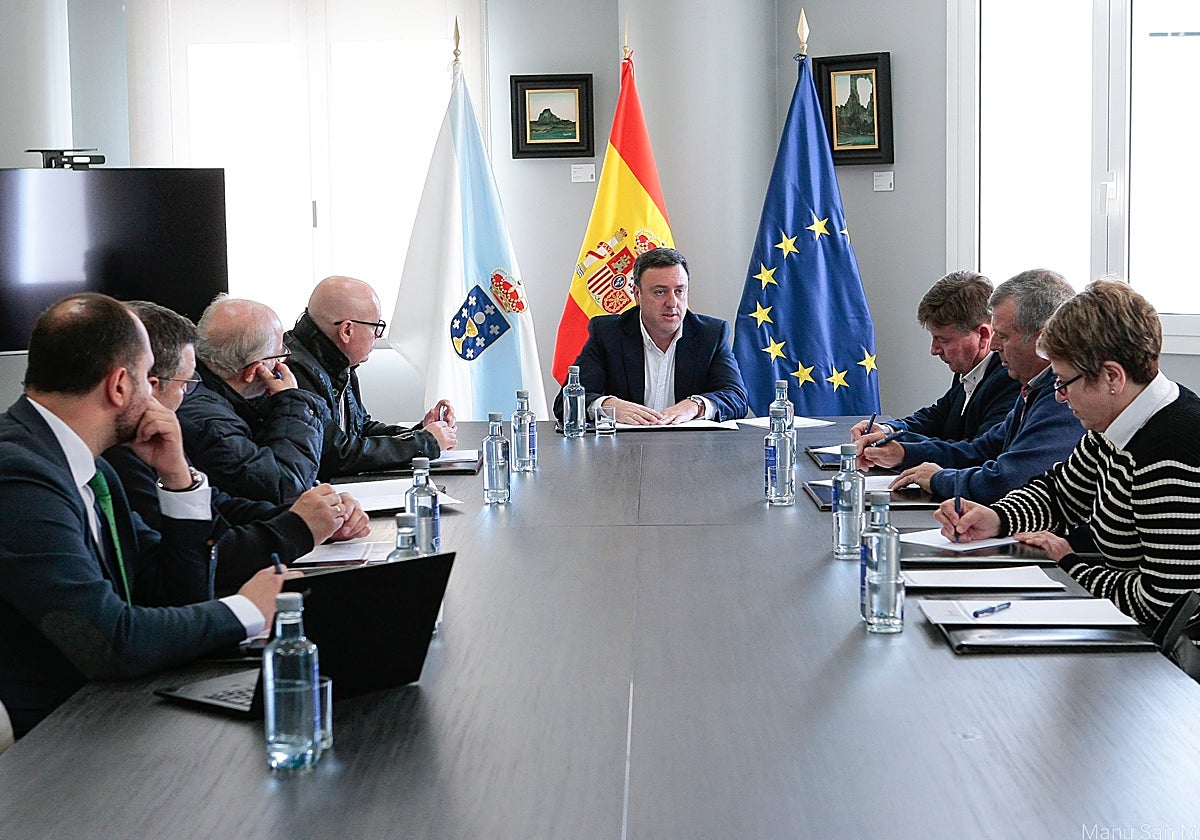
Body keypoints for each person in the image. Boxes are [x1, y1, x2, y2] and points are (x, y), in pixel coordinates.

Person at [0, 293, 296, 738]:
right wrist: (247, 609)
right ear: (121, 385)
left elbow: (176, 598)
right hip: (52, 737)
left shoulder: (92, 468)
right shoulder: (18, 475)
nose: (156, 393)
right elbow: (109, 640)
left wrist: (178, 480)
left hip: (107, 706)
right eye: (146, 378)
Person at [936, 280, 1200, 624]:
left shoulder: (1172, 452)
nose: (1059, 396)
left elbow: (1163, 603)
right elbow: (1060, 494)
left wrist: (1070, 565)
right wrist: (997, 518)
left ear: (1112, 377)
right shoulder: (1116, 422)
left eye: (1064, 382)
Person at [104, 302, 370, 594]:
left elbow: (218, 508)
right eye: (185, 384)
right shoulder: (128, 455)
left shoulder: (147, 441)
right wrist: (299, 525)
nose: (187, 394)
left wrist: (317, 516)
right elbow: (203, 558)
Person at [857, 269, 1083, 503]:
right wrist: (904, 451)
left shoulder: (1058, 395)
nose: (994, 345)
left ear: (1042, 340)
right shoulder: (1034, 387)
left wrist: (939, 479)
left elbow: (1008, 479)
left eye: (1003, 336)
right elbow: (981, 450)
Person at [285, 275, 458, 480]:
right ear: (347, 330)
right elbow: (335, 455)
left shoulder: (337, 360)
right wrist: (423, 443)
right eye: (376, 326)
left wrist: (419, 432)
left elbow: (361, 430)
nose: (378, 335)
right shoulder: (296, 372)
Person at [551, 248, 749, 424]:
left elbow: (737, 398)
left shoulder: (710, 335)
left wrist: (695, 406)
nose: (672, 303)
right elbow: (565, 403)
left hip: (689, 447)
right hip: (624, 450)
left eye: (680, 291)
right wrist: (609, 406)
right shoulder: (608, 334)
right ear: (637, 295)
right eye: (660, 292)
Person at [177, 295, 328, 503]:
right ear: (253, 371)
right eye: (279, 353)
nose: (283, 361)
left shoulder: (215, 392)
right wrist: (293, 402)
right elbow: (285, 486)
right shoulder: (212, 425)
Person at [850, 271, 1020, 443]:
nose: (934, 350)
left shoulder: (1010, 379)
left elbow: (978, 450)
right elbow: (938, 417)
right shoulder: (969, 367)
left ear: (983, 335)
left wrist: (903, 450)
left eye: (943, 340)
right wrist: (887, 430)